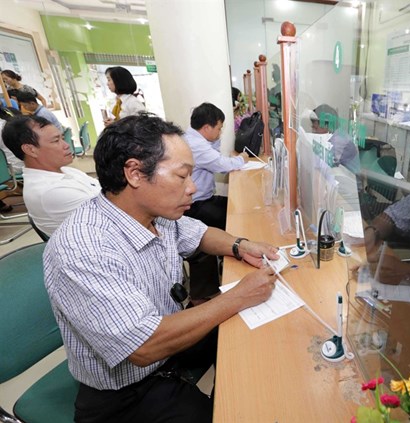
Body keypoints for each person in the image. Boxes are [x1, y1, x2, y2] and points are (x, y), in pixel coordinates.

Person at [43, 113, 279, 422]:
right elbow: (144, 346)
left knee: (256, 350)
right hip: (128, 391)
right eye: (182, 176)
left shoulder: (153, 212)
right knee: (234, 413)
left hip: (167, 346)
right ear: (135, 173)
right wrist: (238, 296)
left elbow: (201, 234)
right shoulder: (83, 249)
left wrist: (240, 245)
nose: (192, 188)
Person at [1, 115, 100, 236]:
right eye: (56, 141)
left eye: (62, 138)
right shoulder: (50, 191)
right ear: (31, 150)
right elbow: (118, 214)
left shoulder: (65, 171)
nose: (66, 145)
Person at [183, 102, 248, 229]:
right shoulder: (196, 146)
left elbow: (215, 156)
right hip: (195, 205)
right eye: (219, 128)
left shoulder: (194, 138)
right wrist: (242, 159)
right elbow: (222, 165)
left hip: (203, 198)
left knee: (238, 205)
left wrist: (216, 137)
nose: (220, 132)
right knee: (236, 216)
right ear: (207, 128)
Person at [311, 104, 360, 173]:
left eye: (315, 128)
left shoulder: (338, 142)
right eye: (312, 127)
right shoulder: (334, 134)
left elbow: (323, 166)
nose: (313, 132)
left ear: (326, 126)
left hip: (349, 181)